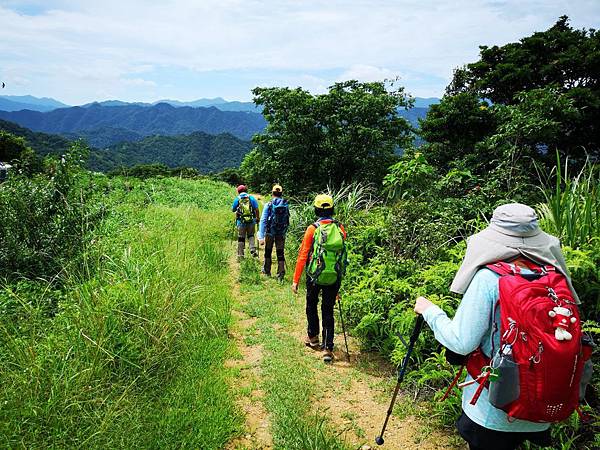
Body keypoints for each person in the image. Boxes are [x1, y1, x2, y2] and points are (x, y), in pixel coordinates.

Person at [413, 203, 580, 450]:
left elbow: (461, 342)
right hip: (541, 407)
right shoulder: (553, 278)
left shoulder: (489, 279)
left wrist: (430, 312)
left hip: (491, 410)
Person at [292, 194, 347, 363]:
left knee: (311, 304)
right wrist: (339, 283)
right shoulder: (340, 228)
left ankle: (313, 338)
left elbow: (303, 255)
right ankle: (328, 348)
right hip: (333, 277)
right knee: (328, 310)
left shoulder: (312, 229)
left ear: (316, 209)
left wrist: (295, 280)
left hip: (314, 275)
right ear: (332, 209)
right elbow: (342, 257)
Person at [258, 184, 290, 281]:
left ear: (272, 193)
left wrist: (261, 235)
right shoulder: (285, 204)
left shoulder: (269, 204)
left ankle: (267, 270)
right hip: (281, 232)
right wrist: (284, 231)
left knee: (268, 251)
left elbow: (263, 220)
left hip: (270, 232)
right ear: (281, 193)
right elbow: (288, 218)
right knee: (280, 252)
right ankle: (281, 273)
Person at [232, 185, 260, 259]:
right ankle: (252, 250)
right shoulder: (251, 198)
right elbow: (256, 209)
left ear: (238, 191)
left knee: (241, 237)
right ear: (246, 190)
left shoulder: (237, 199)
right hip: (251, 221)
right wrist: (257, 218)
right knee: (251, 235)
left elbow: (233, 209)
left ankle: (240, 255)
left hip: (241, 221)